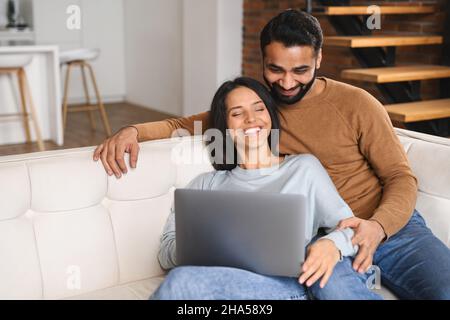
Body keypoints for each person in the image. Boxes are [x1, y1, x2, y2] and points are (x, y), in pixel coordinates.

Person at [94, 10, 450, 299]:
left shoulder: (357, 104)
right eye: (275, 69)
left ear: (319, 59)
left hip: (387, 227)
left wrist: (378, 227)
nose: (287, 82)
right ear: (262, 60)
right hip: (314, 234)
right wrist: (133, 131)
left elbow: (401, 178)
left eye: (301, 70)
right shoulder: (256, 107)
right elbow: (182, 124)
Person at [151, 76, 364, 300]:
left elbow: (350, 227)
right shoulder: (206, 184)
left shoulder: (304, 168)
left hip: (287, 285)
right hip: (229, 283)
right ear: (225, 126)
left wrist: (332, 244)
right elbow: (165, 253)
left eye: (259, 109)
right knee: (181, 281)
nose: (251, 119)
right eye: (237, 113)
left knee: (180, 284)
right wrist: (205, 244)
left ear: (270, 115)